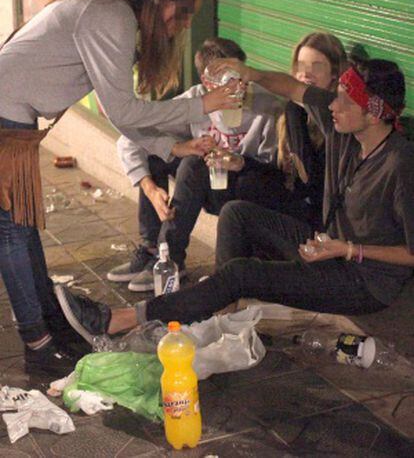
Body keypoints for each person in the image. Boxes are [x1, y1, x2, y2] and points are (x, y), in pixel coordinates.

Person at [55, 57, 414, 339]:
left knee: (243, 273)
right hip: (328, 249)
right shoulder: (345, 130)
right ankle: (221, 313)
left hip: (362, 281)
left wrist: (348, 250)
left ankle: (124, 319)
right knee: (237, 213)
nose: (333, 104)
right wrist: (251, 72)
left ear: (373, 112)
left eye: (344, 99)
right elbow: (290, 87)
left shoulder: (400, 164)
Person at [0, 0, 239, 377]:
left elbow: (120, 116)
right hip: (5, 114)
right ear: (165, 0)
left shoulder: (112, 14)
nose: (182, 27)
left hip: (12, 115)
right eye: (183, 15)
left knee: (20, 227)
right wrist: (201, 104)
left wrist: (171, 145)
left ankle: (51, 325)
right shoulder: (111, 17)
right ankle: (38, 342)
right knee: (12, 233)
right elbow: (125, 110)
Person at [107, 37, 282, 291]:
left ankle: (170, 259)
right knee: (161, 156)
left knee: (192, 164)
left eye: (241, 77)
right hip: (208, 186)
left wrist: (240, 162)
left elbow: (275, 176)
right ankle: (156, 251)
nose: (237, 87)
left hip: (248, 190)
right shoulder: (195, 101)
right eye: (226, 80)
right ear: (206, 82)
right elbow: (130, 137)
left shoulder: (268, 106)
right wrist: (151, 190)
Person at [249, 32, 347, 229]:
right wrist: (240, 163)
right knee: (244, 186)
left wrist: (296, 109)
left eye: (316, 67)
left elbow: (309, 182)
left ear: (335, 75)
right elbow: (284, 175)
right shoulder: (294, 112)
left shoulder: (336, 120)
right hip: (298, 205)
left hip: (321, 221)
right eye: (301, 66)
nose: (306, 73)